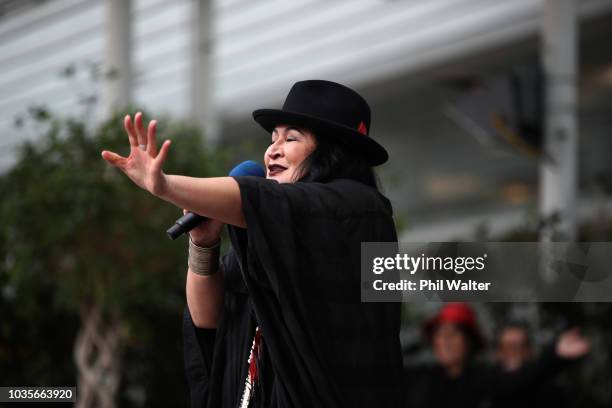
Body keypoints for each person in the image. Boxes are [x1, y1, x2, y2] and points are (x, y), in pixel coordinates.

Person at [101, 80, 403, 407]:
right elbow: (209, 321)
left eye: (291, 138)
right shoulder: (273, 236)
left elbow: (262, 199)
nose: (273, 149)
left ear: (332, 152)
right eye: (273, 137)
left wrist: (165, 185)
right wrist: (204, 243)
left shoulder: (359, 211)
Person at [404, 303, 590, 408]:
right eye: (440, 335)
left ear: (468, 342)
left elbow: (519, 379)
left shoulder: (484, 378)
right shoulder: (419, 378)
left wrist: (554, 355)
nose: (446, 342)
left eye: (452, 335)